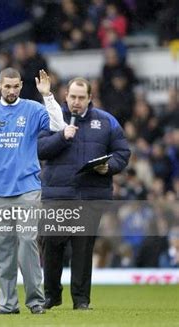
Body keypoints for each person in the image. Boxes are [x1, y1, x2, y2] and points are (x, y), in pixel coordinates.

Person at [0, 69, 65, 315]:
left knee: (27, 242)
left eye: (15, 86)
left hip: (27, 187)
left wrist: (48, 95)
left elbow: (59, 125)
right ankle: (7, 304)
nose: (11, 91)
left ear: (21, 85)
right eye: (7, 86)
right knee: (3, 248)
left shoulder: (32, 108)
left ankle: (36, 301)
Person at [37, 77, 130, 310]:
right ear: (65, 95)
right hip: (57, 194)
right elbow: (39, 149)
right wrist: (61, 136)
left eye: (81, 98)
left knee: (83, 248)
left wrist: (108, 167)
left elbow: (122, 152)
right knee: (51, 245)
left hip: (90, 195)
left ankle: (81, 301)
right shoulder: (51, 117)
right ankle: (51, 295)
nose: (76, 102)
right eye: (72, 97)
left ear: (90, 98)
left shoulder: (107, 121)